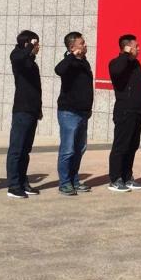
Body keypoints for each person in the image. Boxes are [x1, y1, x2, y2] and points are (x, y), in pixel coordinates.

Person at [107, 34, 141, 193]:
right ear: (128, 47)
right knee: (121, 146)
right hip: (125, 111)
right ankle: (115, 179)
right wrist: (125, 54)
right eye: (136, 46)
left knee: (132, 146)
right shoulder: (116, 63)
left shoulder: (136, 64)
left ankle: (127, 176)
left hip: (137, 112)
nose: (139, 49)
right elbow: (117, 72)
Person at [55, 31, 94, 196]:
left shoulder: (84, 62)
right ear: (72, 47)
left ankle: (74, 180)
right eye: (81, 43)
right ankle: (64, 183)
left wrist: (88, 108)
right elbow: (58, 70)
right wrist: (71, 56)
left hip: (83, 112)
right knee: (68, 149)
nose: (85, 45)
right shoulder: (68, 62)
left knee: (80, 148)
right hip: (69, 112)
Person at [6, 30, 42, 199]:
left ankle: (22, 181)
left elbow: (36, 88)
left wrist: (39, 108)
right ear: (28, 43)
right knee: (17, 149)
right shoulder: (17, 56)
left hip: (32, 109)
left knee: (25, 150)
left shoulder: (31, 63)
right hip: (22, 109)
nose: (38, 47)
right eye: (36, 43)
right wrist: (29, 47)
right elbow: (19, 57)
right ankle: (13, 186)